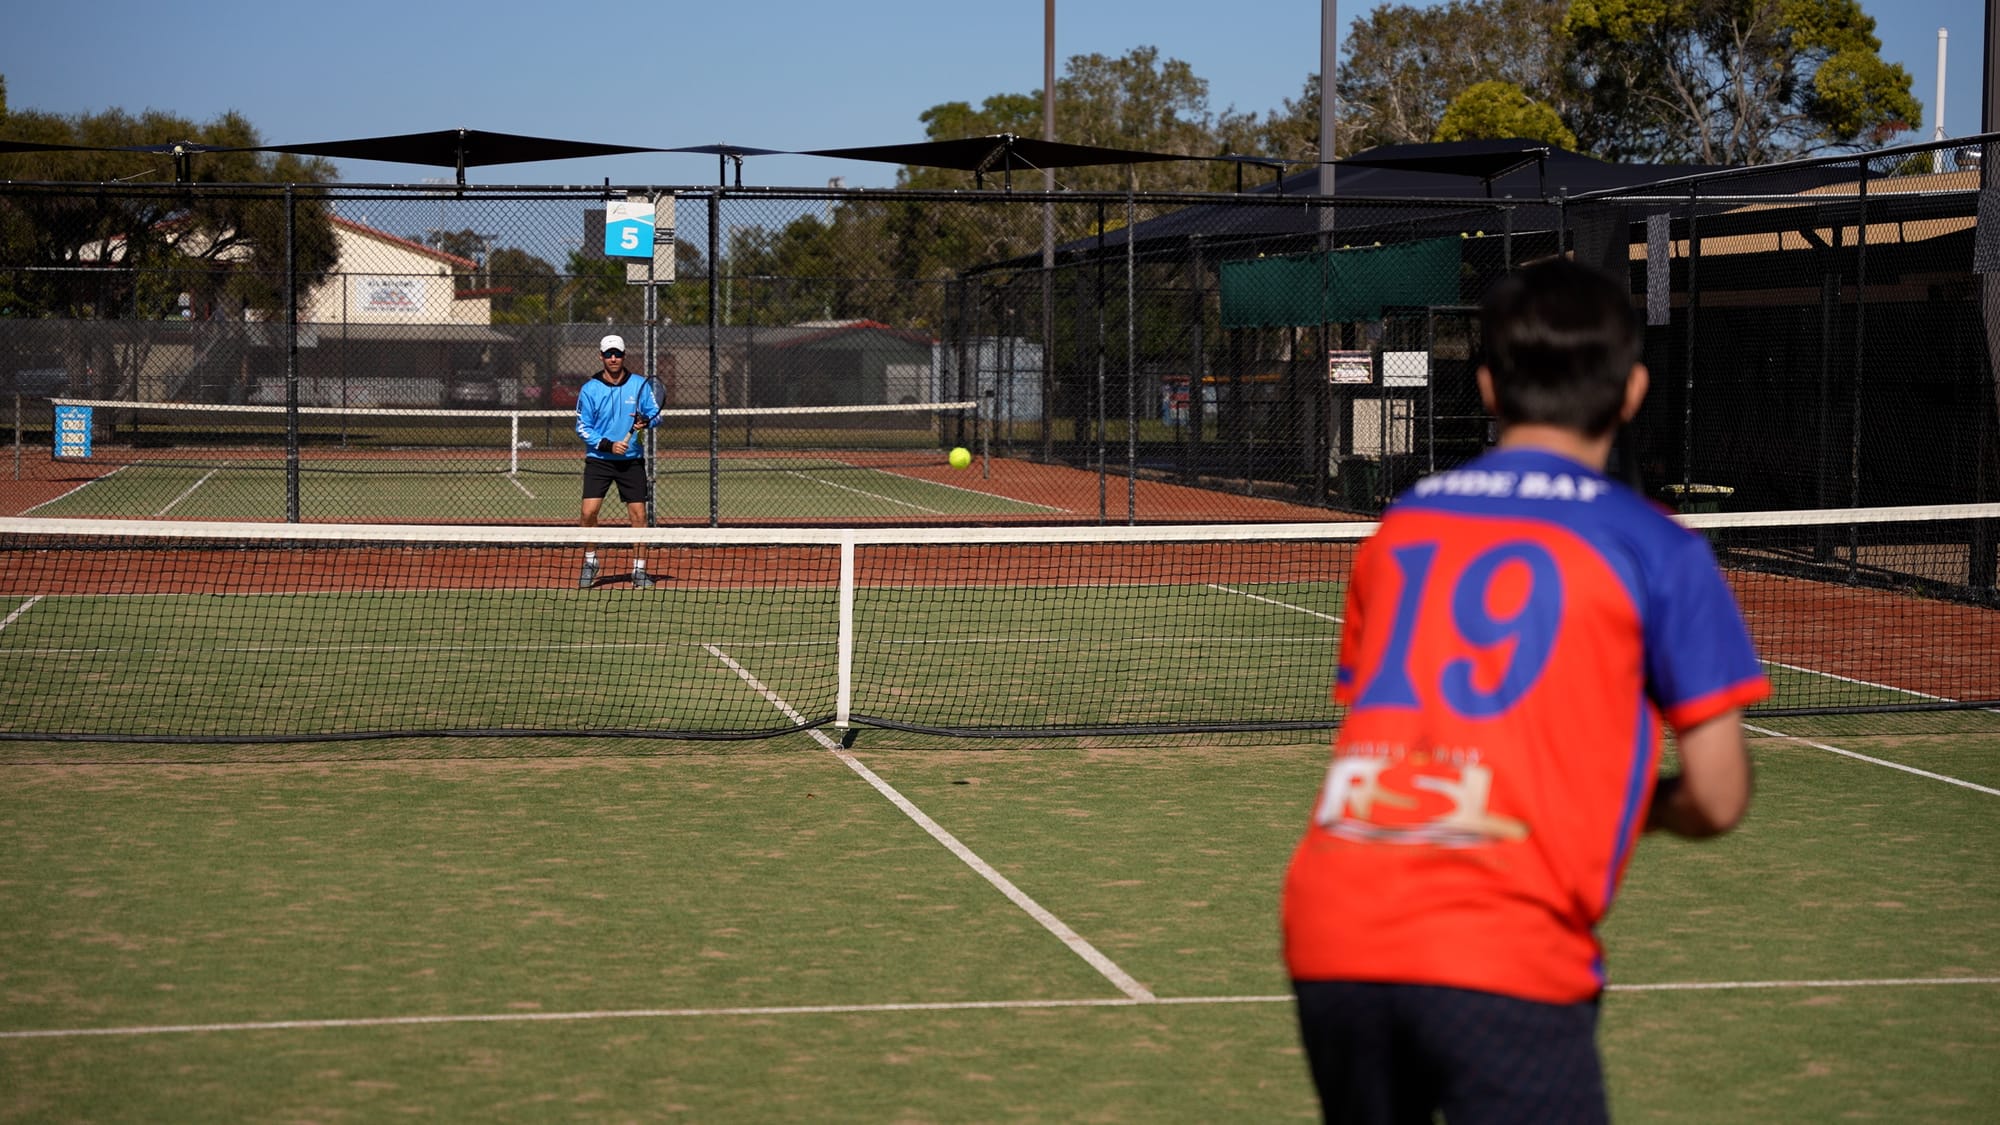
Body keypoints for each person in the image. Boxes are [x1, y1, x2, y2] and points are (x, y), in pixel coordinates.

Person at [1281, 258, 1770, 1123]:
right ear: (1633, 392)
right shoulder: (1655, 547)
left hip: (1334, 925)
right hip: (1502, 947)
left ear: (1486, 388)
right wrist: (1636, 805)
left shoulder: (1406, 523)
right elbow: (1719, 795)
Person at [574, 334, 662, 589]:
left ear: (624, 356)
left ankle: (639, 570)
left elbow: (656, 415)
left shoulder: (640, 385)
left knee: (638, 516)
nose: (613, 358)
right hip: (599, 460)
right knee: (588, 513)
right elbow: (582, 427)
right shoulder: (590, 389)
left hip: (631, 461)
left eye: (618, 353)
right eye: (609, 354)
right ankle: (590, 561)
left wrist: (646, 421)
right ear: (601, 356)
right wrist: (608, 445)